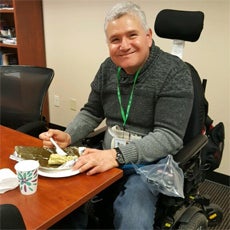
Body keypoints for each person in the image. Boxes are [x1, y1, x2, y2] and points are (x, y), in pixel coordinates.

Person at [39, 1, 194, 229]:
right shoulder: (108, 68)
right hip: (106, 155)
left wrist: (116, 156)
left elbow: (168, 137)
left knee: (132, 214)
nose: (124, 45)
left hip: (149, 164)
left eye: (132, 35)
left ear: (148, 36)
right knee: (62, 197)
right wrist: (68, 136)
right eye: (115, 39)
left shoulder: (174, 72)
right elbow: (92, 111)